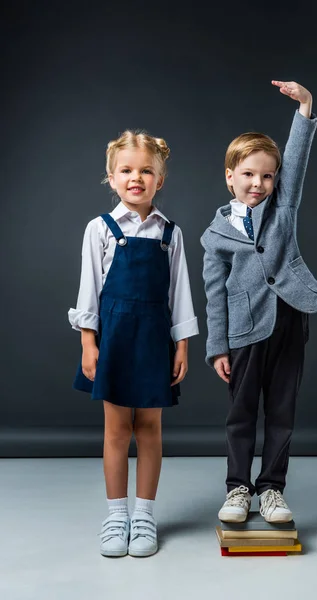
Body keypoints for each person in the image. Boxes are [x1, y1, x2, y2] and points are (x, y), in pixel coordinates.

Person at [200, 80, 317, 524]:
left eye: (267, 175)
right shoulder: (214, 237)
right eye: (249, 174)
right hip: (243, 330)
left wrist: (305, 107)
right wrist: (217, 346)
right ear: (229, 176)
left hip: (290, 320)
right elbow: (214, 294)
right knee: (241, 413)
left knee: (281, 411)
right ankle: (238, 487)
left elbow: (296, 160)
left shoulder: (282, 208)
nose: (258, 183)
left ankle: (272, 489)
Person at [68, 130, 198, 557]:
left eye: (147, 170)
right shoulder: (99, 229)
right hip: (115, 340)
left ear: (160, 180)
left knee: (150, 428)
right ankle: (116, 514)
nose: (136, 177)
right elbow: (89, 290)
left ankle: (144, 515)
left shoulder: (170, 234)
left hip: (155, 339)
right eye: (126, 170)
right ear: (111, 177)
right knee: (116, 430)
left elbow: (179, 294)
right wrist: (89, 343)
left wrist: (182, 345)